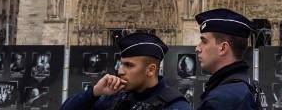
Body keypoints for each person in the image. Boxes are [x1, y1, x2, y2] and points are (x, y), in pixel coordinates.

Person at [61, 32, 191, 110]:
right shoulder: (115, 97)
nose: (120, 71)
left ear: (150, 70)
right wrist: (94, 92)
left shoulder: (175, 106)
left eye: (129, 65)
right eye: (121, 64)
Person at [194, 8, 260, 110]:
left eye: (204, 41)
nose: (197, 48)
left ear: (223, 48)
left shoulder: (222, 100)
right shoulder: (243, 86)